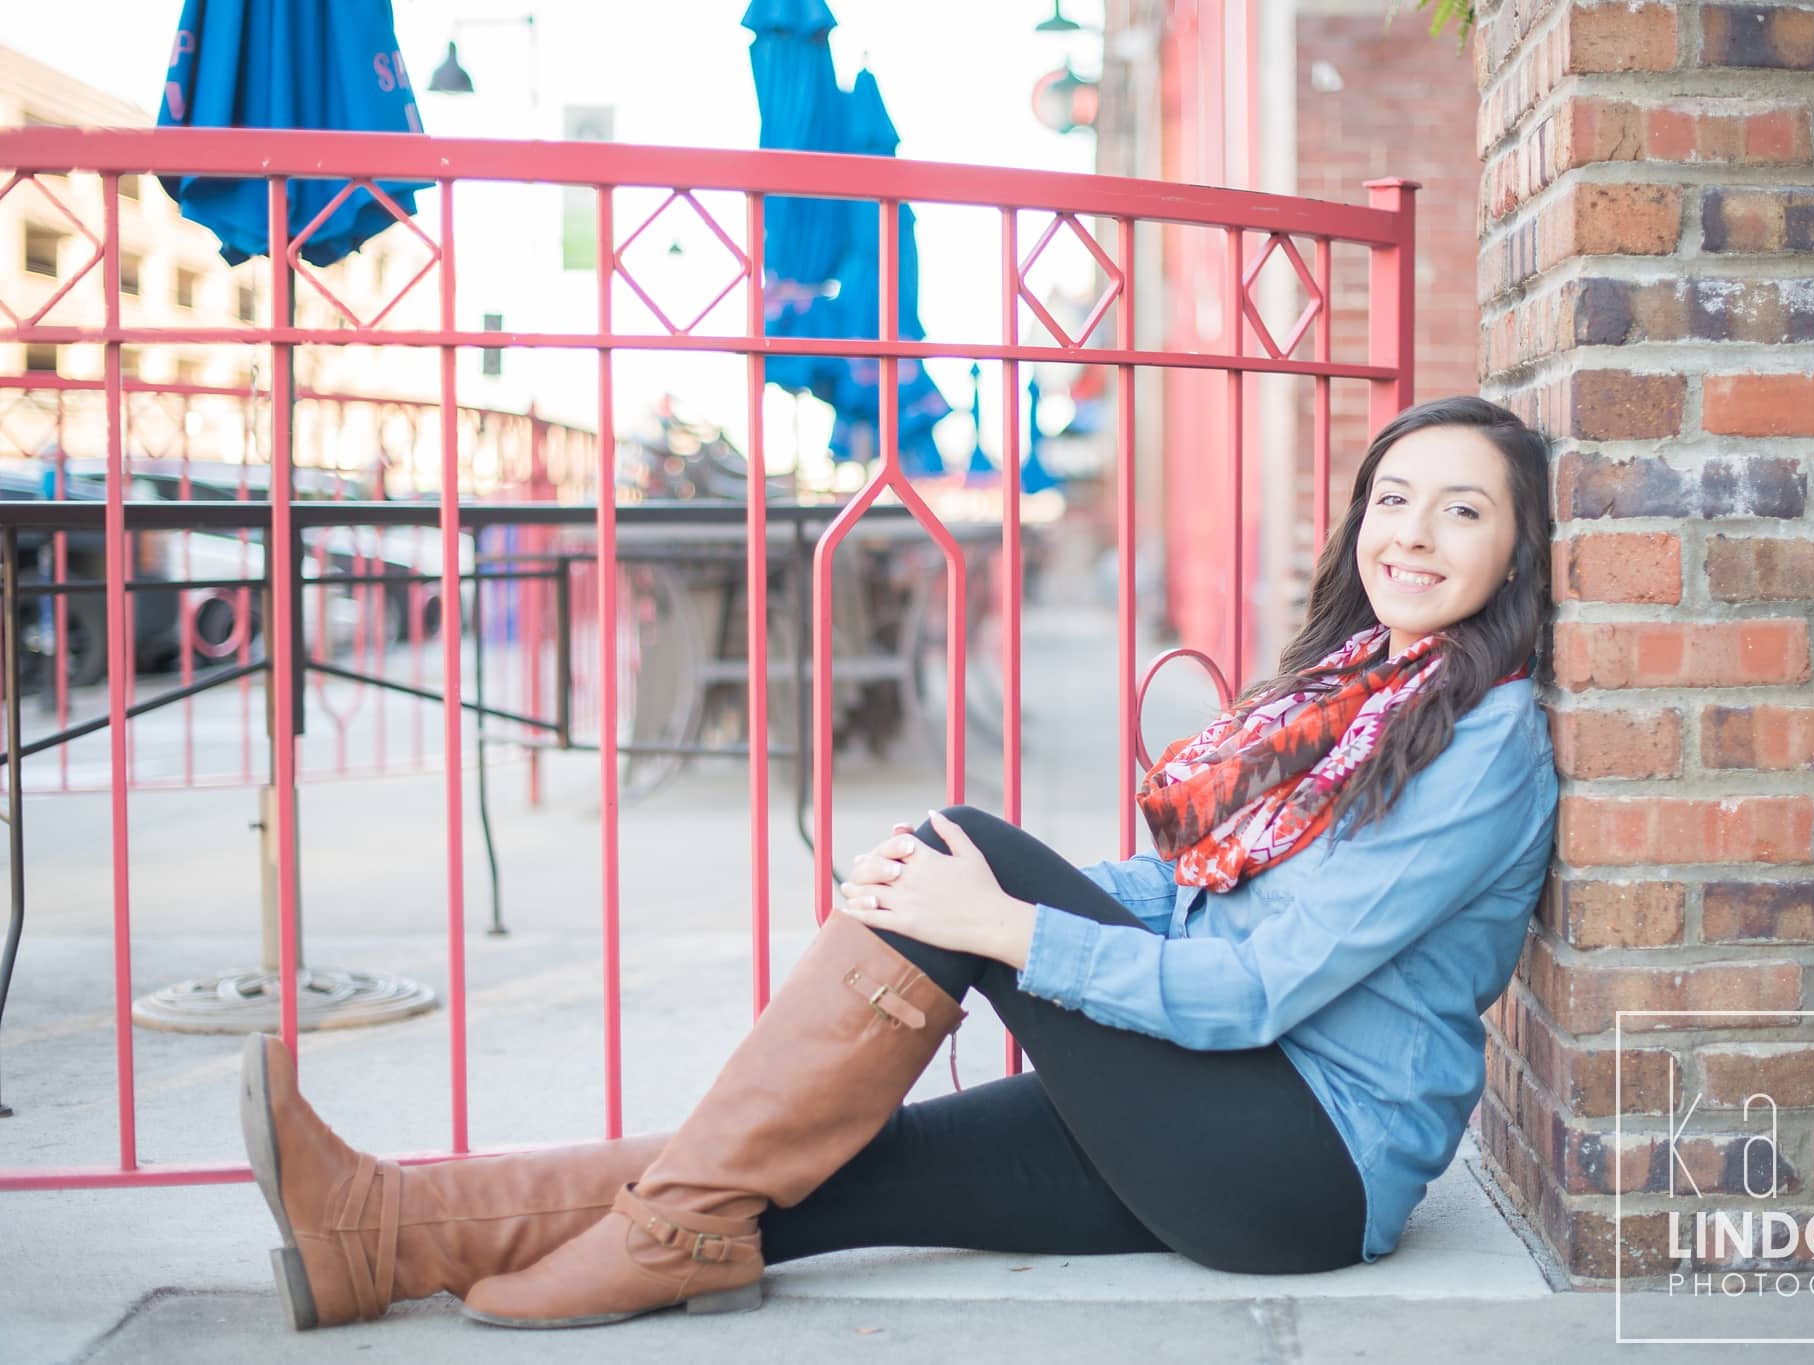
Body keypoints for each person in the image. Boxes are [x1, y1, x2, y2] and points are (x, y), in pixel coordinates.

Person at [238, 394, 1559, 1331]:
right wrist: (1007, 909)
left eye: (1461, 510)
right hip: (1216, 1108)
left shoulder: (1485, 742)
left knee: (962, 850)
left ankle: (656, 1234)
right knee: (787, 1165)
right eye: (1395, 497)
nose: (1415, 533)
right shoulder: (1363, 692)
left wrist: (1003, 923)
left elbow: (1262, 984)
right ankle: (383, 1233)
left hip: (1301, 1160)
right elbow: (1208, 892)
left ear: (1516, 550)